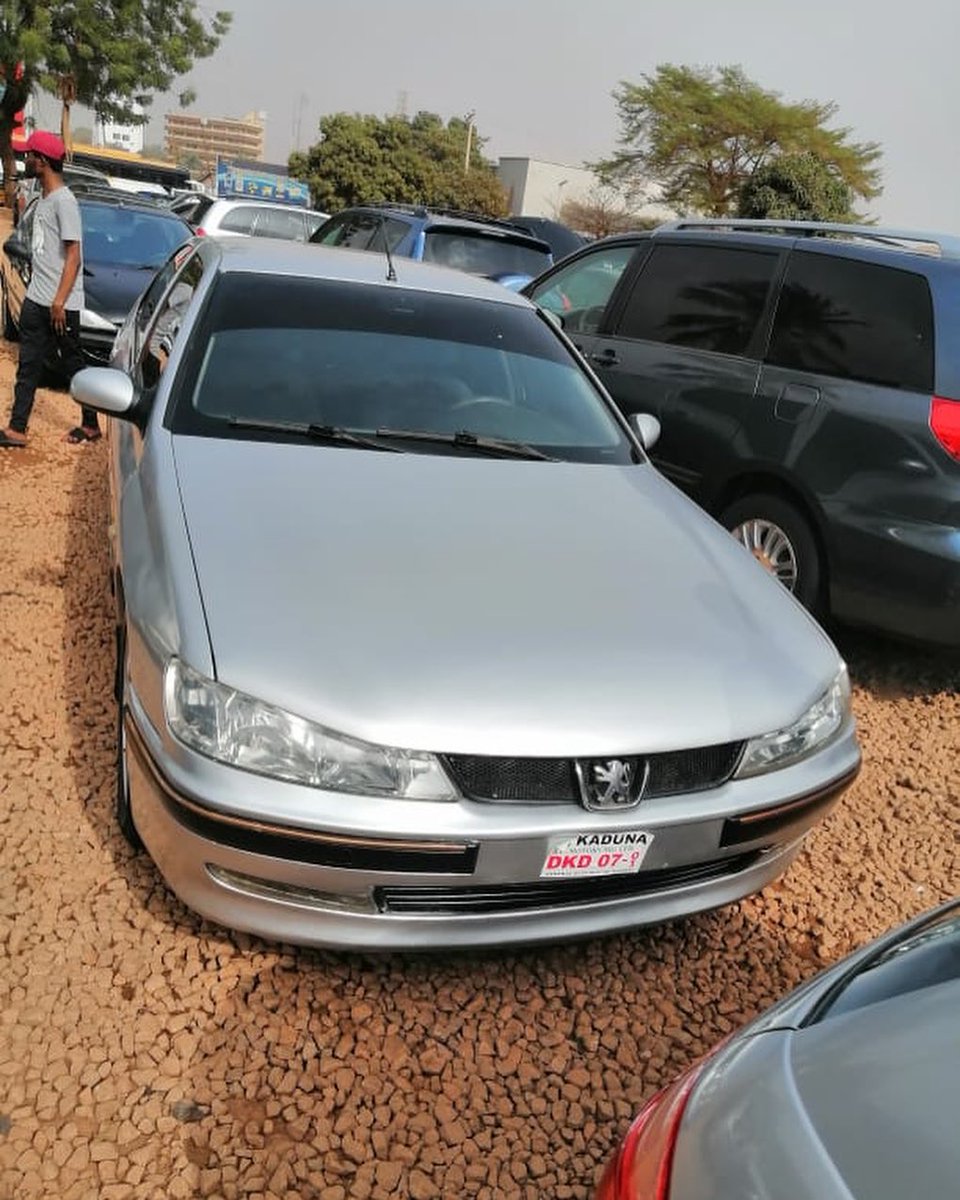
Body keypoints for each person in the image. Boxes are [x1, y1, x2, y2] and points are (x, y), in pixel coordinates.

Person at [0, 130, 101, 448]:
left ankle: (90, 424)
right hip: (36, 297)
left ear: (41, 161)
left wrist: (59, 301)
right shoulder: (43, 198)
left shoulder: (65, 202)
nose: (25, 159)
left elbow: (74, 255)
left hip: (61, 303)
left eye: (29, 155)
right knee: (28, 364)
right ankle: (17, 429)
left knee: (72, 364)